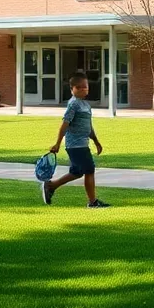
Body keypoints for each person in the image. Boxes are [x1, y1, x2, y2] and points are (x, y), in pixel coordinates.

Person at [41, 72, 110, 208]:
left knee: (77, 172)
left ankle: (51, 186)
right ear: (72, 89)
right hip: (75, 145)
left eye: (85, 87)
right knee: (89, 170)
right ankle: (92, 202)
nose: (83, 89)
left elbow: (88, 126)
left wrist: (96, 141)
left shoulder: (86, 105)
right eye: (79, 87)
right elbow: (64, 124)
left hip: (83, 144)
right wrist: (57, 143)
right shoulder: (73, 105)